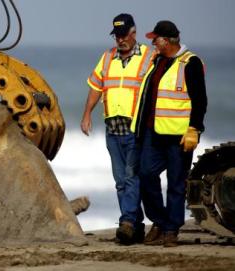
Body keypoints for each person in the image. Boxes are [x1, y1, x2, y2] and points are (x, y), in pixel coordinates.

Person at [130, 20, 208, 247]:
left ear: (167, 41)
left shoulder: (190, 63)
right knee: (145, 175)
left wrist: (195, 128)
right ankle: (160, 221)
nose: (152, 42)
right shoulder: (158, 61)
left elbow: (200, 100)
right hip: (153, 134)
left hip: (179, 136)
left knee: (176, 184)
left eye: (155, 39)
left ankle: (171, 230)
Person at [81, 13, 155, 245]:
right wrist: (86, 115)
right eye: (116, 36)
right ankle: (136, 227)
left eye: (123, 35)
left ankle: (127, 222)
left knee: (132, 178)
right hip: (112, 129)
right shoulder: (107, 58)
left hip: (135, 129)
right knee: (121, 181)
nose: (120, 40)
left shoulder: (149, 57)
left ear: (134, 33)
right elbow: (96, 87)